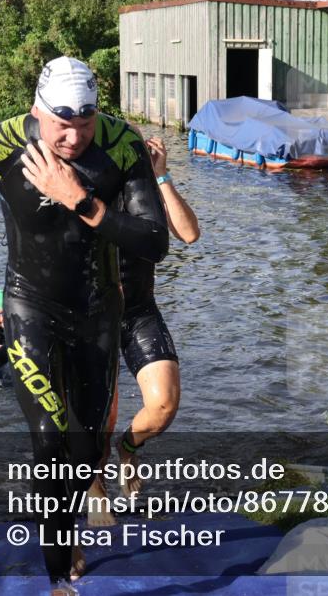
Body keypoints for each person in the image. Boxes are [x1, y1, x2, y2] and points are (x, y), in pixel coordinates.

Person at [0, 56, 168, 595]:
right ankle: (58, 577)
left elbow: (155, 241)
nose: (74, 138)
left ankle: (67, 522)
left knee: (85, 450)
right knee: (51, 440)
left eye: (85, 123)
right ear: (38, 111)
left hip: (100, 312)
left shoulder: (121, 146)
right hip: (30, 309)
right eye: (61, 125)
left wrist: (81, 200)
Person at [113, 136, 199, 494]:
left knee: (164, 403)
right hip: (87, 312)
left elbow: (190, 234)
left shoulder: (144, 188)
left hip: (137, 308)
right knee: (97, 415)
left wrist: (161, 175)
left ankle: (128, 447)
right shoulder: (82, 182)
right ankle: (95, 487)